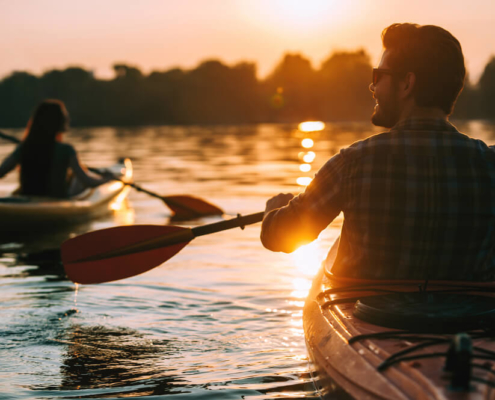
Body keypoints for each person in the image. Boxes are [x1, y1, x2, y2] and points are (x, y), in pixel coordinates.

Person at [261, 23, 495, 282]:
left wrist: (274, 211)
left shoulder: (352, 164)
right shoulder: (490, 163)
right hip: (469, 317)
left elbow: (279, 237)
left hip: (373, 315)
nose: (372, 88)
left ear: (407, 83)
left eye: (378, 76)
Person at [0, 99, 112, 198]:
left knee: (74, 177)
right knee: (77, 179)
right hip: (56, 201)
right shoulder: (66, 150)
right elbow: (87, 182)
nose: (67, 118)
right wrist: (107, 179)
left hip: (27, 198)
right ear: (57, 121)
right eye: (64, 115)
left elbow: (2, 171)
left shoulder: (24, 148)